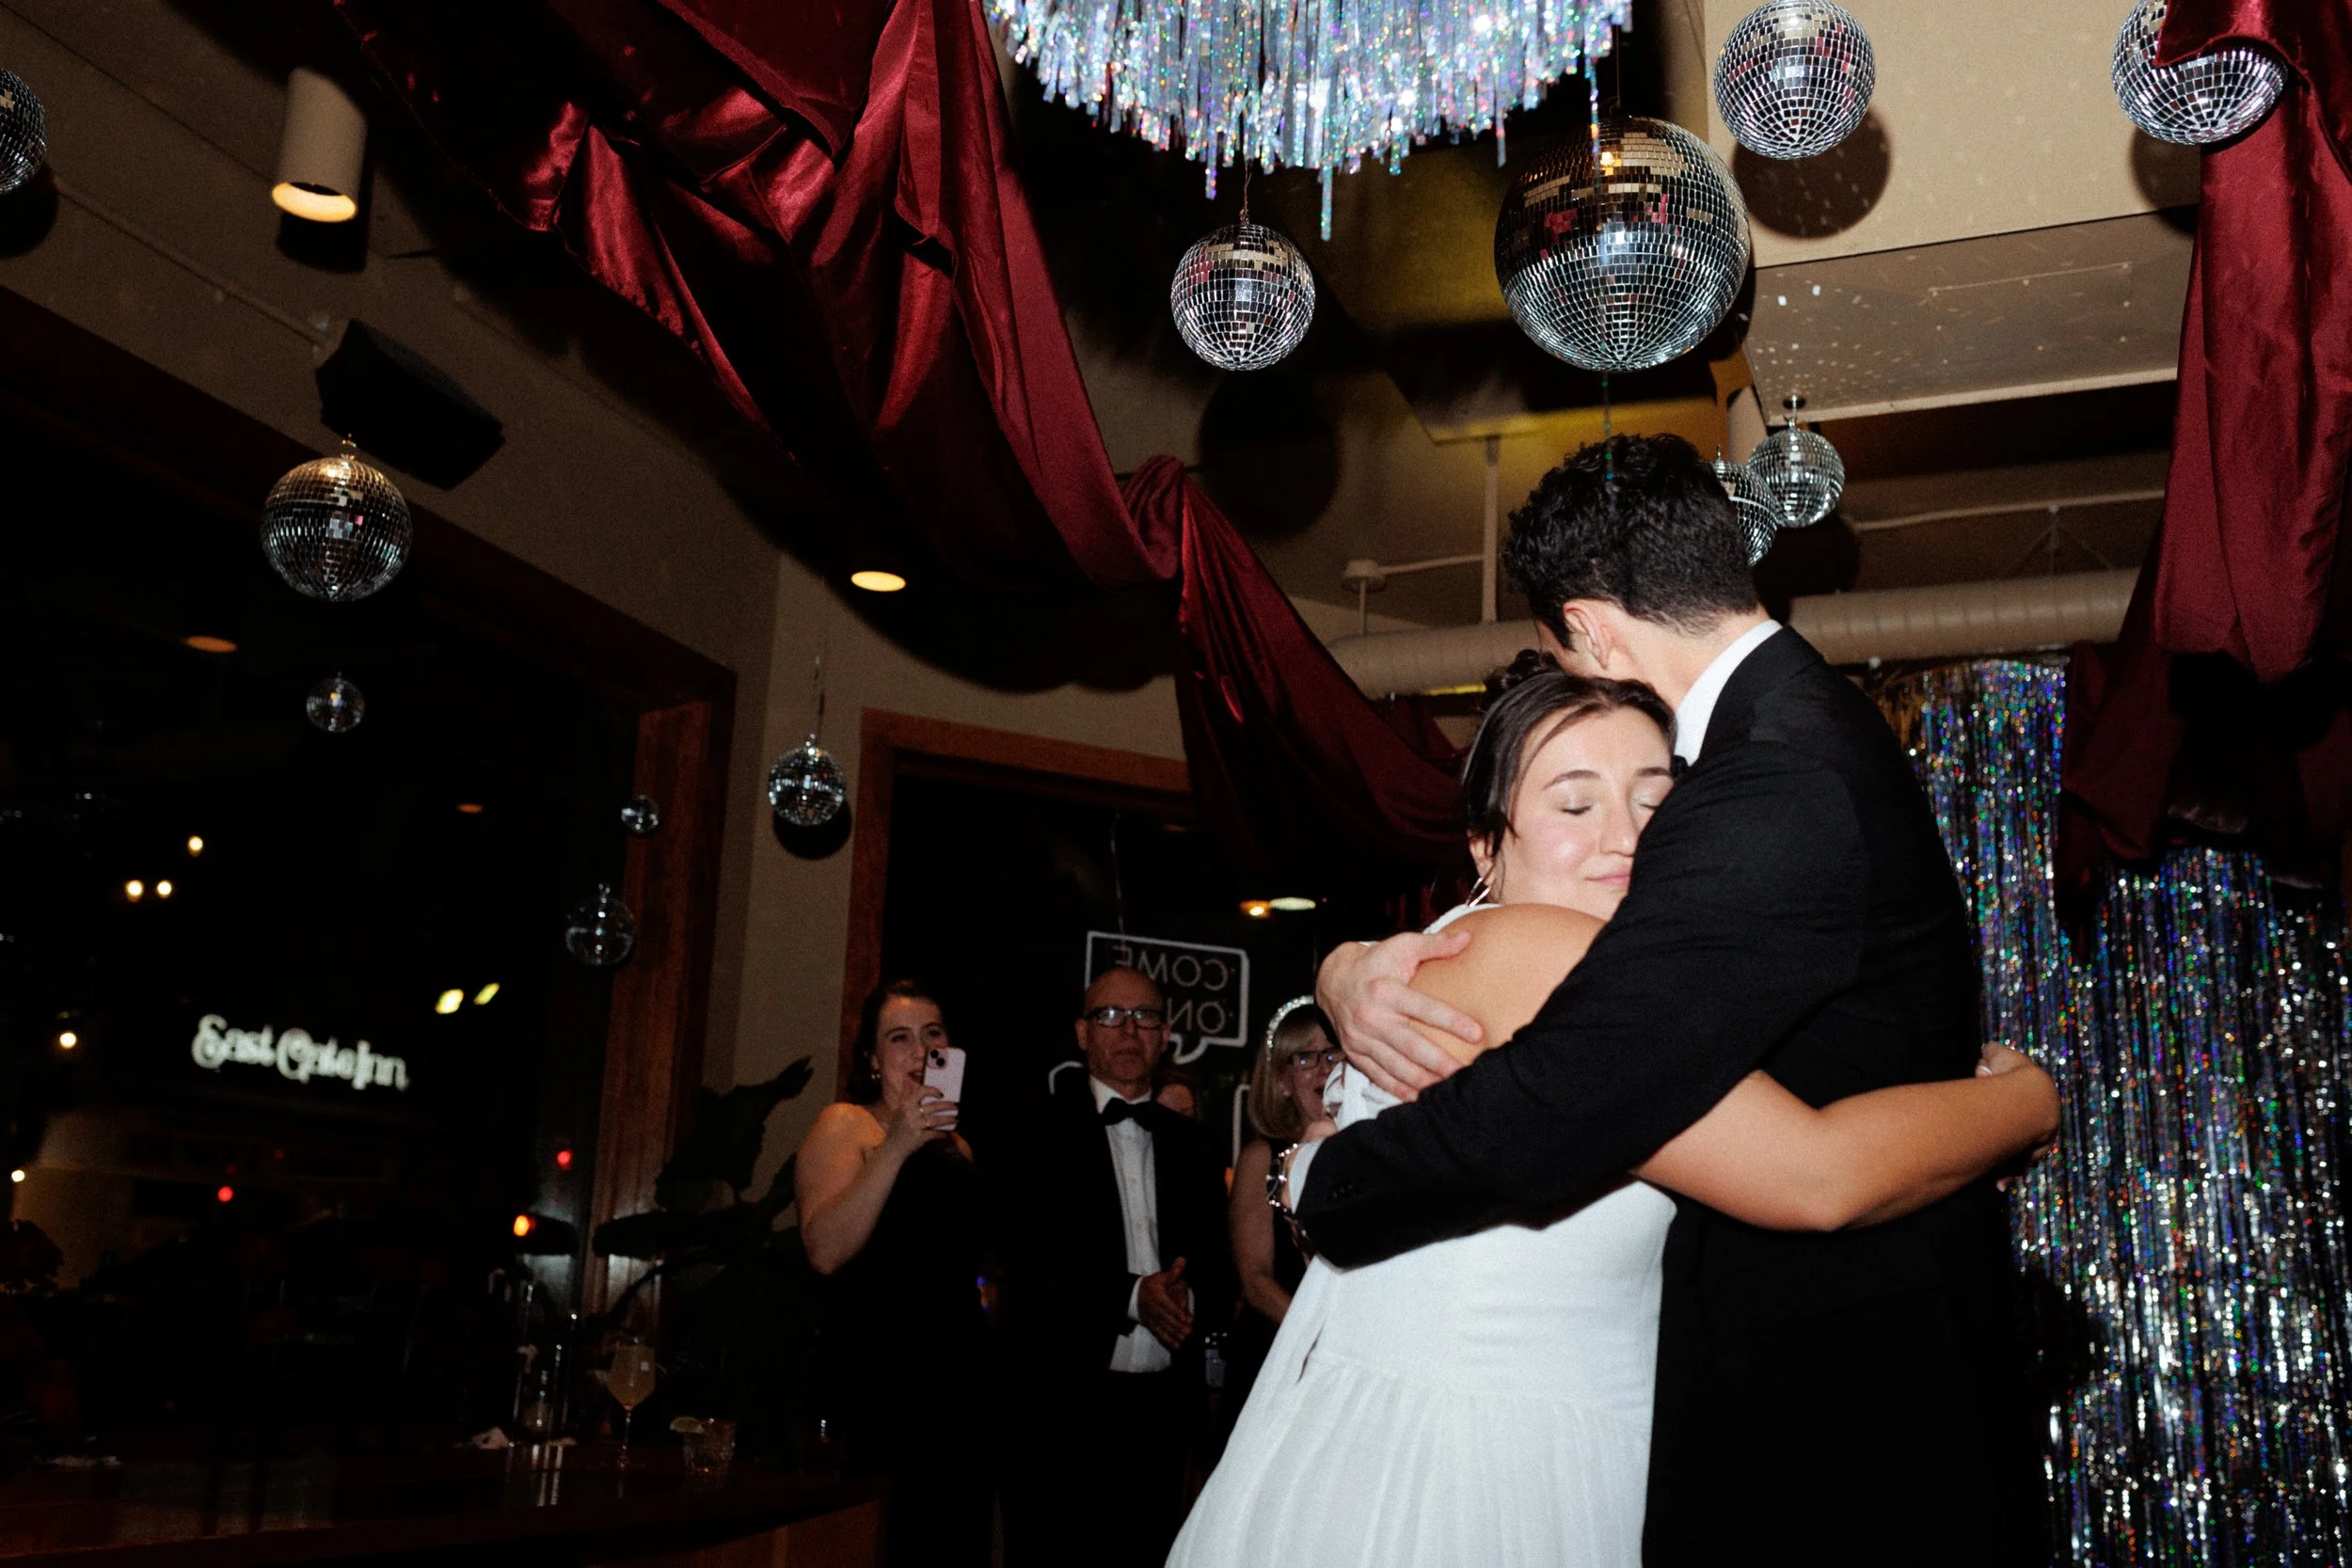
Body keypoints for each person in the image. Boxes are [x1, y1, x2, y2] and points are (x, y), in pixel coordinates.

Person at [1294, 434, 2050, 1566]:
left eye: (1648, 795)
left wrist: (1330, 1183)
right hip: (1584, 1423)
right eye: (1576, 800)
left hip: (1831, 1403)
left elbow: (1572, 1092)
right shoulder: (1798, 737)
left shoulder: (1770, 771)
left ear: (1591, 626)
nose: (1629, 830)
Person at [999, 966, 1236, 1568]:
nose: (1129, 1030)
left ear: (1164, 1037)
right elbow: (1029, 1256)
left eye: (1146, 1017)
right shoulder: (1033, 1129)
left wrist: (1186, 1296)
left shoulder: (1199, 1146)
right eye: (1110, 1016)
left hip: (1163, 1413)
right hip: (1060, 1408)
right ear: (1082, 1033)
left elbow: (1221, 1267)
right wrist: (1135, 1297)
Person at [795, 979, 990, 1568]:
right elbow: (825, 1250)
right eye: (899, 1038)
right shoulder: (847, 1123)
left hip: (957, 1388)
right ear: (872, 1060)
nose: (919, 1051)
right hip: (877, 1383)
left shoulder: (958, 1148)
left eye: (933, 1035)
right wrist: (898, 1144)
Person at [1218, 1002, 1337, 1436]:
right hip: (1279, 1355)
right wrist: (1318, 1340)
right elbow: (1254, 1280)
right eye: (1305, 1058)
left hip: (1349, 1364)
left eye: (1332, 1053)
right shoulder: (1262, 1158)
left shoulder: (1368, 1152)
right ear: (1283, 1082)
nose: (1323, 1068)